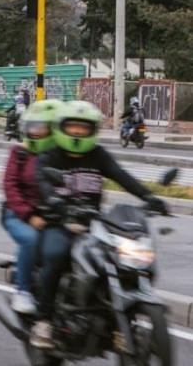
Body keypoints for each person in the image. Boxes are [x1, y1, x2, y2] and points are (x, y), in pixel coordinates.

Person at [30, 100, 168, 349]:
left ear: (92, 130)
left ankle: (112, 319)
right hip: (59, 221)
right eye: (72, 128)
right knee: (56, 255)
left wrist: (149, 197)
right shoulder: (50, 156)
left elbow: (122, 176)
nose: (77, 133)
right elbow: (42, 183)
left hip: (93, 222)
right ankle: (44, 321)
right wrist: (55, 202)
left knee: (118, 260)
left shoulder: (98, 155)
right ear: (62, 128)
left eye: (83, 129)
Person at [0, 99, 61, 314]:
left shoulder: (60, 155)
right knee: (31, 239)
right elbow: (10, 186)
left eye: (41, 126)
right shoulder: (21, 152)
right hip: (17, 214)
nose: (35, 131)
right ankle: (23, 291)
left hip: (53, 215)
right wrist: (28, 215)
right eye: (32, 126)